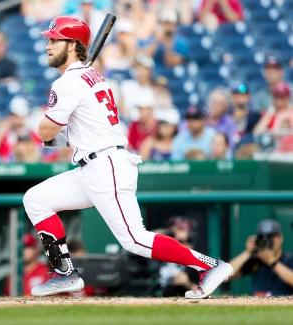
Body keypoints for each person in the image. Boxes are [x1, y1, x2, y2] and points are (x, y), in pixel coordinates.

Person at [23, 16, 233, 298]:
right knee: (36, 199)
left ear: (72, 44)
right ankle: (65, 273)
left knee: (134, 239)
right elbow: (72, 130)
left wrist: (48, 134)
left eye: (54, 39)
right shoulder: (91, 77)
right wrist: (56, 136)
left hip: (105, 165)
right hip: (93, 165)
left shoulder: (70, 82)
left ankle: (209, 265)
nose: (48, 45)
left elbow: (46, 130)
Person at [229, 219, 293, 296]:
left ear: (280, 238)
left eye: (270, 237)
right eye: (262, 237)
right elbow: (227, 275)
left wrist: (272, 262)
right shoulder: (256, 260)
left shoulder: (289, 259)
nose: (267, 240)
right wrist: (247, 253)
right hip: (259, 306)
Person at [157, 216, 200, 297]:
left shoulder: (195, 255)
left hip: (185, 292)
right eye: (178, 228)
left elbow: (200, 287)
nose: (179, 231)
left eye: (183, 229)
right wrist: (170, 231)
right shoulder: (164, 247)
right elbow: (150, 236)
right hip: (161, 290)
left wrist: (187, 284)